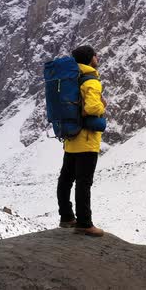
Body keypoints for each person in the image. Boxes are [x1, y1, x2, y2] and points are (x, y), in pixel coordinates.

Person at [56, 45, 105, 237]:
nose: (97, 57)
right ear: (90, 59)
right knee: (84, 182)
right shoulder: (90, 80)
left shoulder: (70, 78)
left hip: (70, 138)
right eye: (95, 54)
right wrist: (103, 105)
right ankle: (84, 223)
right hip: (86, 139)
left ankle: (66, 217)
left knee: (66, 178)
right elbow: (93, 108)